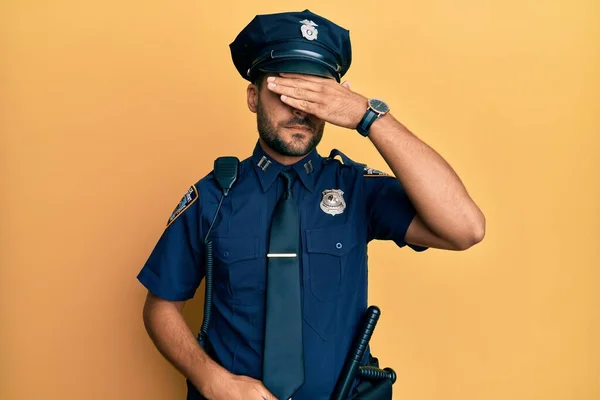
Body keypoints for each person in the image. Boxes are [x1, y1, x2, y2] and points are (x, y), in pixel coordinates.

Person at [137, 9, 485, 400]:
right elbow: (160, 307)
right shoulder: (214, 196)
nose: (301, 109)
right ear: (254, 98)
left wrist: (368, 116)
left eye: (314, 95)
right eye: (286, 92)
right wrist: (210, 379)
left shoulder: (355, 189)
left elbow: (465, 228)